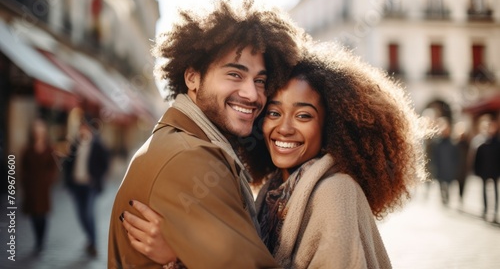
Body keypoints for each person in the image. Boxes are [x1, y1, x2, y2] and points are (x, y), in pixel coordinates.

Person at [121, 42, 431, 268]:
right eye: (273, 112)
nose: (284, 128)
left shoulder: (336, 193)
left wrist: (176, 256)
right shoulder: (272, 190)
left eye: (304, 116)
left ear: (330, 127)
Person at [107, 0, 303, 268]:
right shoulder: (191, 158)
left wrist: (178, 258)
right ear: (192, 78)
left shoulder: (184, 141)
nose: (252, 94)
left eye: (260, 80)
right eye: (235, 74)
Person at [63, 115, 110, 257]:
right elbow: (68, 163)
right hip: (76, 185)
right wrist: (68, 180)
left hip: (90, 186)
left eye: (84, 127)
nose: (82, 129)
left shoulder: (97, 144)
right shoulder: (75, 143)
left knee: (89, 214)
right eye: (80, 127)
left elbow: (105, 164)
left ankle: (94, 243)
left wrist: (95, 178)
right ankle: (90, 240)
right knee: (81, 215)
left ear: (89, 128)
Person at [21, 118, 58, 253]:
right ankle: (37, 239)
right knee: (33, 215)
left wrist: (48, 180)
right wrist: (25, 182)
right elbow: (23, 168)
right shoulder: (28, 149)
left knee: (42, 215)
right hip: (31, 187)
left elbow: (53, 167)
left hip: (43, 188)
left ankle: (41, 240)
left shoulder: (49, 149)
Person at [473, 117, 500, 222]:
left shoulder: (498, 143)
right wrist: (476, 171)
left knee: (495, 191)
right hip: (484, 171)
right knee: (484, 190)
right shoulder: (481, 144)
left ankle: (495, 211)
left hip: (495, 171)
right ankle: (485, 209)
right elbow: (477, 159)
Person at [430, 117, 459, 206]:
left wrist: (455, 166)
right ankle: (443, 198)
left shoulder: (453, 142)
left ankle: (447, 197)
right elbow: (434, 155)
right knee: (441, 184)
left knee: (448, 183)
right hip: (440, 166)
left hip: (449, 167)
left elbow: (456, 156)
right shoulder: (437, 142)